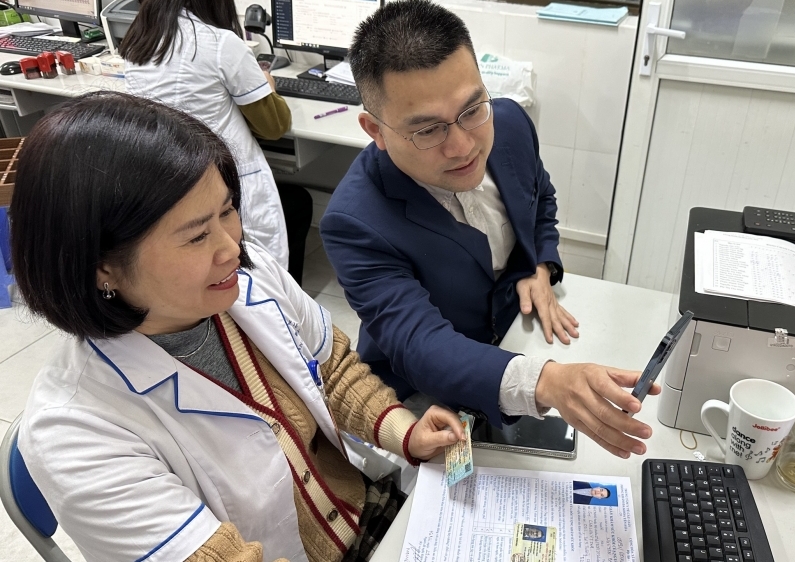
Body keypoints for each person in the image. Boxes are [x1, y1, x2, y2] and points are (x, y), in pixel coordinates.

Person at [10, 92, 464, 562]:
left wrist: (405, 432)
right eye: (197, 236)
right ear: (102, 267)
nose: (232, 248)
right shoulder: (77, 430)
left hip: (363, 515)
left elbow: (330, 369)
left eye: (227, 211)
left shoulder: (246, 278)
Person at [321, 0, 657, 459]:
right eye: (427, 130)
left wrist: (539, 265)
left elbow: (540, 198)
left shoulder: (510, 123)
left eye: (472, 108)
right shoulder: (355, 222)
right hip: (427, 391)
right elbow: (421, 344)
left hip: (520, 332)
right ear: (375, 130)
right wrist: (545, 381)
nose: (463, 146)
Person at [121, 0, 291, 270]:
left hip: (167, 181)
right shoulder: (220, 43)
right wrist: (267, 86)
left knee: (204, 263)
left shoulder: (138, 43)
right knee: (256, 270)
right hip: (225, 181)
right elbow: (274, 126)